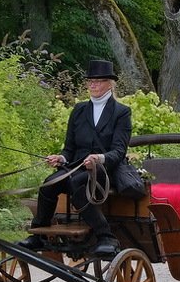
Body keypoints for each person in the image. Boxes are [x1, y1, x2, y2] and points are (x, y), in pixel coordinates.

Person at [17, 59, 143, 257]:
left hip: (103, 171)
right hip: (75, 167)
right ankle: (39, 234)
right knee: (49, 184)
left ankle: (106, 236)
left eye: (98, 81)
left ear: (110, 83)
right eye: (90, 81)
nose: (93, 85)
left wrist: (98, 159)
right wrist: (61, 158)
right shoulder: (79, 110)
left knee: (77, 184)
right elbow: (70, 149)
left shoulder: (121, 112)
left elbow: (118, 152)